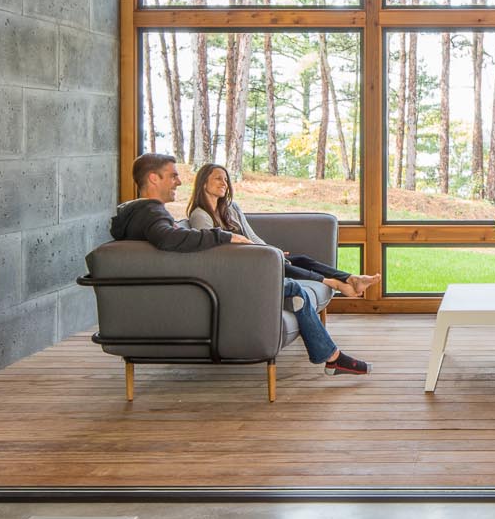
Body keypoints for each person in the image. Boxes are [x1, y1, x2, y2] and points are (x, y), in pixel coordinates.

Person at [111, 154, 369, 376]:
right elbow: (170, 239)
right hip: (214, 288)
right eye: (173, 175)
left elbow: (175, 241)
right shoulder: (152, 213)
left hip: (209, 283)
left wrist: (264, 250)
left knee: (296, 291)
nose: (179, 180)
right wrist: (225, 235)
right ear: (154, 178)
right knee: (296, 290)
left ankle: (332, 356)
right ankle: (333, 354)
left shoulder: (141, 214)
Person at [185, 162, 381, 299]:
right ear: (203, 182)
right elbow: (211, 253)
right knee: (283, 265)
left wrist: (272, 250)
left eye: (226, 180)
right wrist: (267, 255)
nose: (224, 183)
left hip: (256, 257)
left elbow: (251, 236)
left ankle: (350, 278)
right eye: (218, 179)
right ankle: (336, 284)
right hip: (239, 267)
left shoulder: (230, 208)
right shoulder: (200, 216)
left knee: (302, 259)